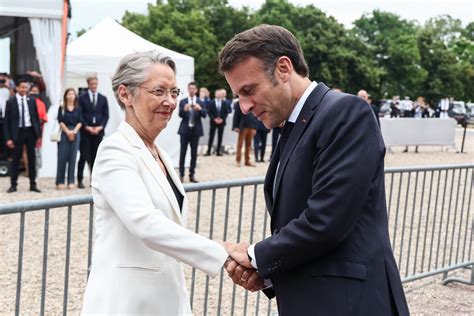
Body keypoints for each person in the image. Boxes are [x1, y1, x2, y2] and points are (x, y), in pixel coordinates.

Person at [219, 25, 409, 315]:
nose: (243, 107)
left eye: (248, 90)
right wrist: (265, 272)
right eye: (238, 96)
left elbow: (327, 221)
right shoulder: (294, 125)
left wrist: (255, 256)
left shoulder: (345, 112)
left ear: (284, 68)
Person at [81, 51, 232, 314]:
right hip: (127, 303)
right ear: (125, 95)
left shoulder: (158, 153)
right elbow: (145, 222)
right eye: (159, 91)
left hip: (163, 299)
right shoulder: (115, 151)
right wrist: (223, 253)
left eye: (174, 92)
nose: (170, 102)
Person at [3, 79, 41, 193]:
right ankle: (13, 184)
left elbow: (35, 118)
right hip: (17, 133)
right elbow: (6, 122)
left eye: (26, 87)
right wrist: (8, 138)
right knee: (15, 159)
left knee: (32, 158)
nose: (24, 89)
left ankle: (33, 184)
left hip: (30, 132)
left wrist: (38, 134)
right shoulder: (11, 102)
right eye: (22, 87)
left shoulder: (32, 101)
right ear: (17, 88)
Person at [77, 76, 109, 188]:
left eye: (95, 84)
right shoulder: (81, 98)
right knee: (83, 156)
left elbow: (106, 116)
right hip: (85, 132)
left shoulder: (103, 98)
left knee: (96, 157)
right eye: (91, 84)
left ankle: (94, 180)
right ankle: (79, 179)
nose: (93, 86)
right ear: (88, 84)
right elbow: (79, 114)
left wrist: (100, 127)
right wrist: (87, 127)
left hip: (98, 132)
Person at [178, 81, 206, 183]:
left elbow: (204, 115)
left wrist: (200, 109)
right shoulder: (183, 101)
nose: (192, 90)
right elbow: (180, 115)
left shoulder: (200, 101)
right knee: (183, 153)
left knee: (194, 154)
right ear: (188, 89)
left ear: (196, 90)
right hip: (184, 130)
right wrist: (184, 110)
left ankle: (192, 175)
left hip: (196, 131)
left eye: (194, 88)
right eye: (190, 88)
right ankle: (181, 174)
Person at [56, 88, 82, 189]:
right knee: (62, 157)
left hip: (76, 132)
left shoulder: (78, 108)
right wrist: (67, 132)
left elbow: (80, 121)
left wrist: (74, 131)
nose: (71, 96)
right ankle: (60, 181)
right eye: (69, 94)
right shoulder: (62, 107)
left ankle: (71, 181)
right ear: (66, 96)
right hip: (64, 132)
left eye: (73, 94)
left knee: (73, 157)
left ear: (75, 96)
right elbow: (60, 121)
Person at [206, 89, 231, 156]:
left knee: (220, 137)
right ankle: (208, 151)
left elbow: (226, 112)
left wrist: (222, 119)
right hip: (213, 122)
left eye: (220, 94)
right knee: (211, 136)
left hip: (221, 122)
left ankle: (218, 151)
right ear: (215, 94)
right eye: (218, 94)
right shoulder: (212, 102)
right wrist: (214, 119)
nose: (219, 95)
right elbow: (209, 112)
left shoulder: (224, 102)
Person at [232, 99, 257, 167]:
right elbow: (236, 114)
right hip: (242, 126)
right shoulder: (239, 102)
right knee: (240, 144)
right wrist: (235, 126)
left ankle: (247, 161)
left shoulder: (253, 101)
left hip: (251, 126)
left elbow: (255, 115)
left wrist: (255, 127)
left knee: (249, 145)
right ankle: (238, 160)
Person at [30, 85, 48, 173]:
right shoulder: (27, 102)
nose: (34, 93)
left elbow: (44, 118)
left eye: (35, 91)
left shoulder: (41, 103)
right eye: (32, 90)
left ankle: (36, 169)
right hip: (28, 129)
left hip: (38, 130)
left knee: (37, 151)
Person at [0, 73, 14, 161]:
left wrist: (8, 86)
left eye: (2, 80)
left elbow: (13, 97)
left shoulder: (7, 90)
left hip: (5, 117)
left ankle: (5, 158)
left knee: (5, 138)